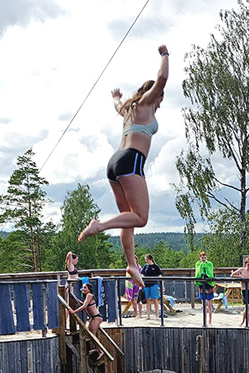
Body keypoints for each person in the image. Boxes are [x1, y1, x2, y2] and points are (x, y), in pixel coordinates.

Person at [78, 45, 170, 288]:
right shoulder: (147, 103)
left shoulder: (128, 110)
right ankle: (100, 226)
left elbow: (117, 105)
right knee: (140, 218)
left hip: (114, 163)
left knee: (127, 220)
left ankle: (131, 264)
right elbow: (162, 78)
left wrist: (116, 97)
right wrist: (164, 54)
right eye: (160, 99)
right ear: (154, 95)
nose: (159, 104)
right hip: (131, 161)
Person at [231, 256, 249, 327]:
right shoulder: (241, 270)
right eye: (248, 264)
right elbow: (232, 275)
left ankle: (248, 322)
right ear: (245, 264)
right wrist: (241, 277)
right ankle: (243, 322)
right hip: (244, 290)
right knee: (247, 306)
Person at [195, 251, 214, 326]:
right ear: (200, 258)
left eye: (205, 257)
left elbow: (210, 272)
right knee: (204, 304)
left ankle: (210, 320)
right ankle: (204, 321)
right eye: (202, 257)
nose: (203, 258)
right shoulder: (198, 264)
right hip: (201, 284)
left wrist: (205, 267)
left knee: (209, 303)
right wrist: (202, 265)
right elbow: (198, 272)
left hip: (209, 284)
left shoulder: (209, 264)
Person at [142, 253, 163, 320]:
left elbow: (160, 275)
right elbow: (142, 274)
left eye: (147, 259)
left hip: (154, 284)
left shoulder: (156, 267)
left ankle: (157, 315)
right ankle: (148, 316)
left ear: (151, 259)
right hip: (146, 284)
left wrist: (162, 285)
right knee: (147, 300)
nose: (146, 261)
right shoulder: (145, 266)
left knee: (155, 300)